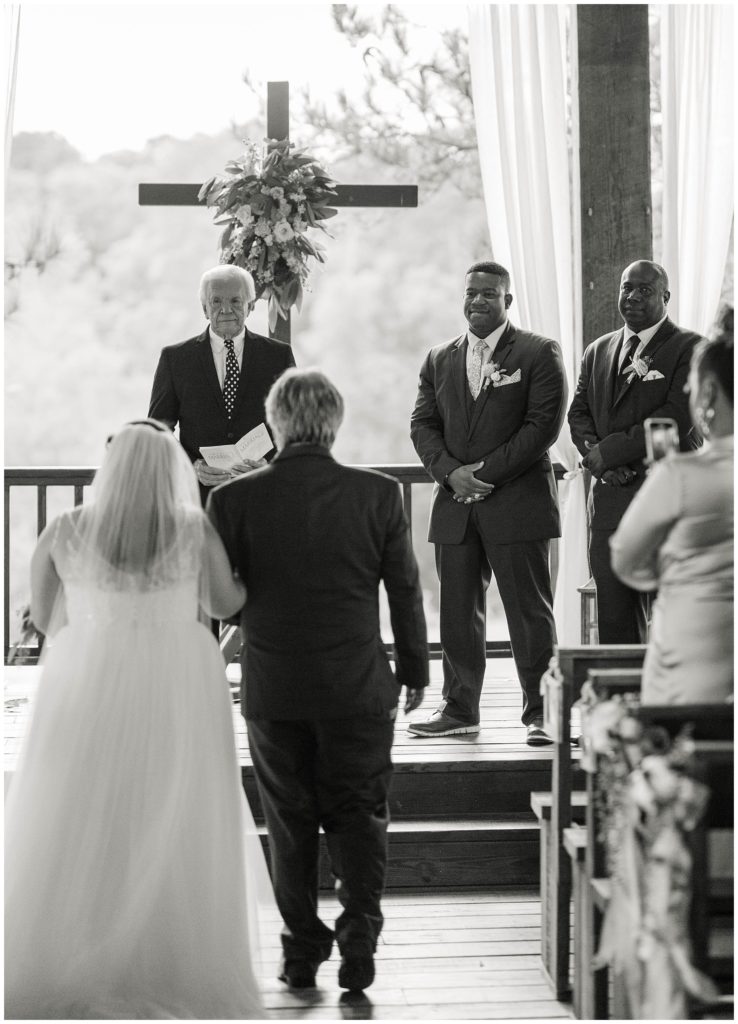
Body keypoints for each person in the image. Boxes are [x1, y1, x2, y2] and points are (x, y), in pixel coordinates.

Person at [5, 420, 273, 1019]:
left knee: (82, 810)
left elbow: (47, 623)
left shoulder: (64, 529)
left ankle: (71, 948)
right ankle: (172, 957)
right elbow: (224, 604)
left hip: (88, 682)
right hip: (173, 684)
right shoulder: (190, 528)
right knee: (170, 810)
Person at [207, 369, 429, 993]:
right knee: (360, 813)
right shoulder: (379, 494)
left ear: (275, 424)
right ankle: (360, 936)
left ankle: (302, 950)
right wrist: (414, 668)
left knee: (290, 820)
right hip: (358, 686)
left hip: (275, 688)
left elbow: (225, 605)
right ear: (335, 421)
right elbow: (404, 590)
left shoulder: (232, 501)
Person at [409, 260, 567, 745]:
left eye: (488, 294)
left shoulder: (539, 352)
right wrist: (450, 473)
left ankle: (543, 713)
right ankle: (459, 709)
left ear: (507, 301)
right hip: (455, 504)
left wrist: (483, 475)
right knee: (457, 613)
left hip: (517, 502)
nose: (477, 300)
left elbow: (542, 427)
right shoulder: (439, 357)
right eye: (471, 293)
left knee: (529, 614)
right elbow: (422, 425)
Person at [568, 260, 702, 643]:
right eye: (627, 288)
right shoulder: (598, 350)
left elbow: (676, 418)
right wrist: (602, 465)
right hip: (610, 502)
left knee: (671, 621)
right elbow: (578, 414)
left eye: (645, 289)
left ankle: (672, 701)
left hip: (666, 501)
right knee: (615, 622)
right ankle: (620, 701)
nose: (633, 296)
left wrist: (608, 454)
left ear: (666, 296)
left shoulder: (690, 348)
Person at [610, 306, 733, 702]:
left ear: (710, 392)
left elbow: (626, 558)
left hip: (697, 657)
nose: (687, 393)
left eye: (692, 385)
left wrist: (675, 571)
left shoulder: (680, 475)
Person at [149, 264, 296, 502]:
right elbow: (156, 431)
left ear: (250, 306)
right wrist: (192, 466)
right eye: (216, 301)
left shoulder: (278, 357)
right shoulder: (175, 359)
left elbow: (295, 427)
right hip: (198, 499)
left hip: (263, 497)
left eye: (236, 301)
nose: (226, 309)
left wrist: (269, 465)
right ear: (205, 309)